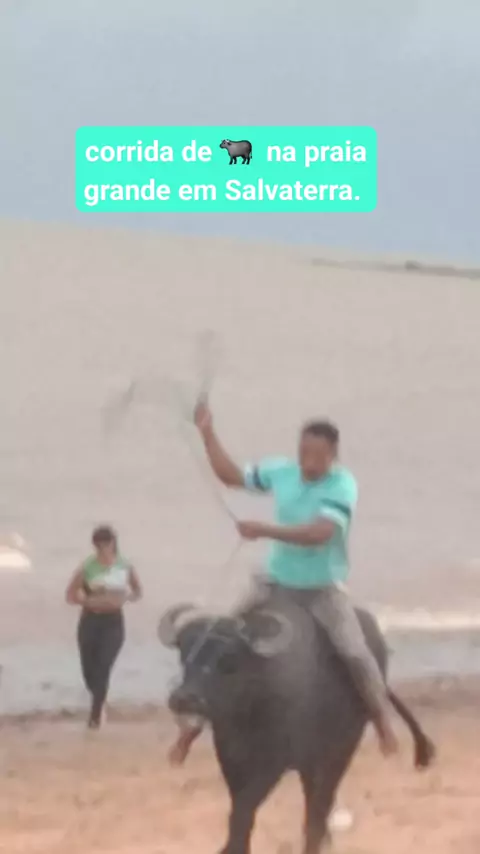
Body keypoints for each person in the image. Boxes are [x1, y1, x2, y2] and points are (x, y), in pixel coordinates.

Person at [167, 401, 399, 764]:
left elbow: (320, 533)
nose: (308, 461)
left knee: (355, 651)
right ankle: (190, 730)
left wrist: (264, 530)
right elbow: (230, 476)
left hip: (321, 589)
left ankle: (382, 718)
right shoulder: (282, 472)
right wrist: (208, 432)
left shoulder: (342, 485)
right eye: (303, 452)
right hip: (275, 583)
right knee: (222, 641)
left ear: (333, 455)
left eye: (317, 455)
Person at [65, 525, 142, 729]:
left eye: (106, 545)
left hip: (113, 623)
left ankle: (95, 716)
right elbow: (70, 595)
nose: (103, 549)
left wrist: (125, 597)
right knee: (89, 671)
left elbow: (137, 591)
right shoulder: (87, 567)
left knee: (103, 667)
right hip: (90, 621)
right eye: (98, 546)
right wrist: (87, 601)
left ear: (113, 543)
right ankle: (100, 700)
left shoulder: (125, 566)